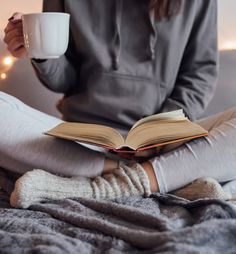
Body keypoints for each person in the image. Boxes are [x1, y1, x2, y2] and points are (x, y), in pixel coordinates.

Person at [2, 0, 236, 208]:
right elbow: (65, 79)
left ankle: (105, 183)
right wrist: (40, 51)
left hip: (166, 142)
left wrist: (160, 132)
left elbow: (199, 75)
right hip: (82, 142)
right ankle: (168, 179)